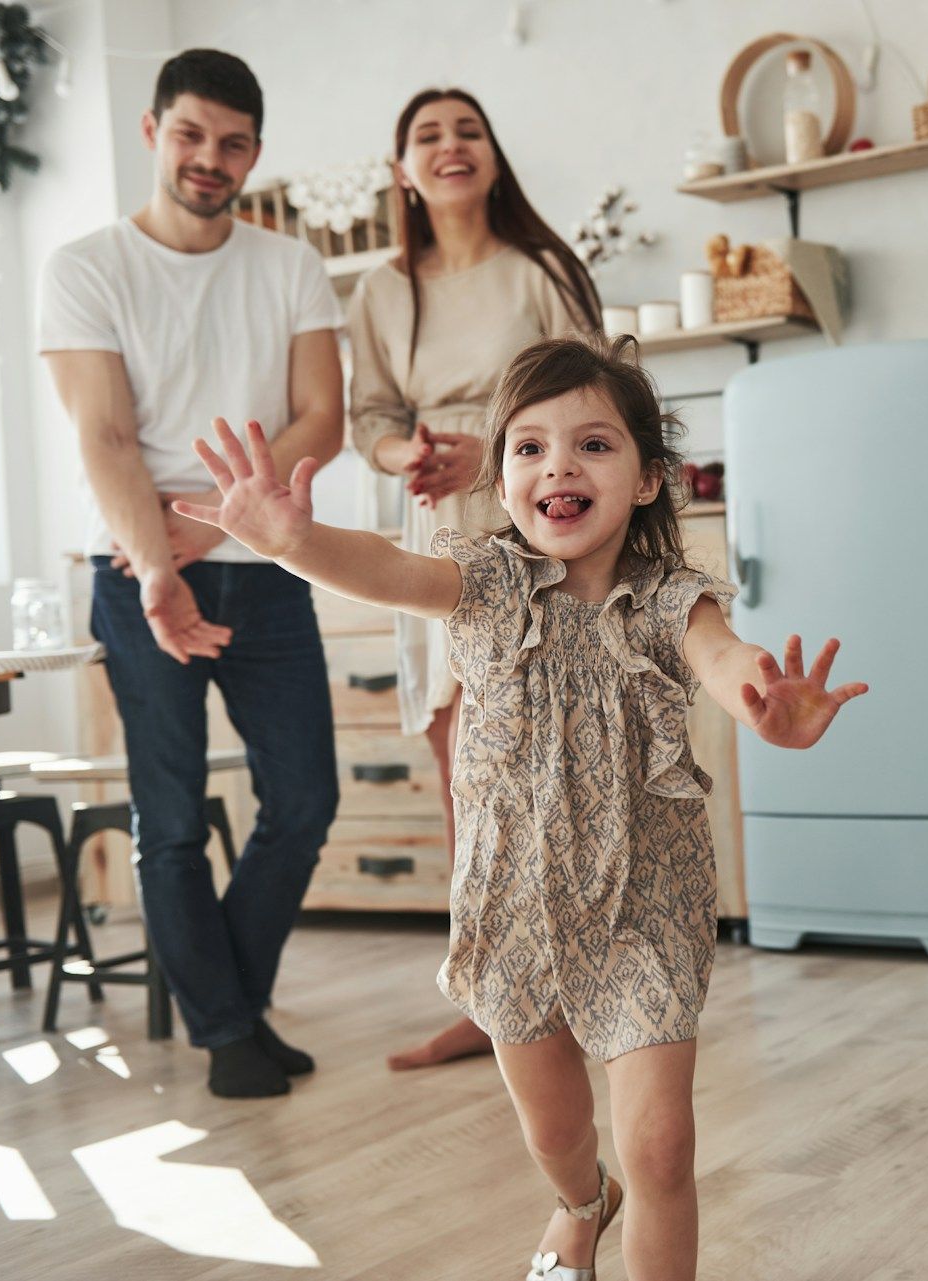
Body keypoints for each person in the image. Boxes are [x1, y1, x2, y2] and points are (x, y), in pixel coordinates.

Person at [173, 336, 867, 1279]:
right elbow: (380, 566)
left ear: (650, 478)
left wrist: (763, 699)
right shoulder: (486, 585)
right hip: (511, 907)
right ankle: (582, 1201)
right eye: (529, 448)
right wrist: (294, 540)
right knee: (556, 1130)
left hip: (645, 906)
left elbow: (723, 655)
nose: (559, 466)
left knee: (662, 1147)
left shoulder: (668, 599)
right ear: (501, 481)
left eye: (594, 444)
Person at [37, 49, 343, 1099]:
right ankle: (228, 1034)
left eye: (234, 143)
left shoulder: (291, 265)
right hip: (134, 574)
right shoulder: (85, 268)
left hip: (262, 564)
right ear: (153, 131)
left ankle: (232, 1009)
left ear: (256, 151)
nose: (210, 159)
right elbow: (107, 438)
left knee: (303, 800)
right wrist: (162, 569)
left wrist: (210, 530)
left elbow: (322, 422)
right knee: (166, 820)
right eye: (191, 134)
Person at [345, 87, 602, 1071]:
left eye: (469, 131)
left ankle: (582, 986)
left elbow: (596, 398)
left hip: (539, 521)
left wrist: (494, 456)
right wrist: (402, 455)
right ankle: (497, 998)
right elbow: (368, 414)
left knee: (551, 766)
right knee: (464, 773)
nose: (451, 147)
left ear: (493, 155)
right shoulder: (380, 291)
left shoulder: (539, 271)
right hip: (434, 533)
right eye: (427, 135)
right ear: (402, 167)